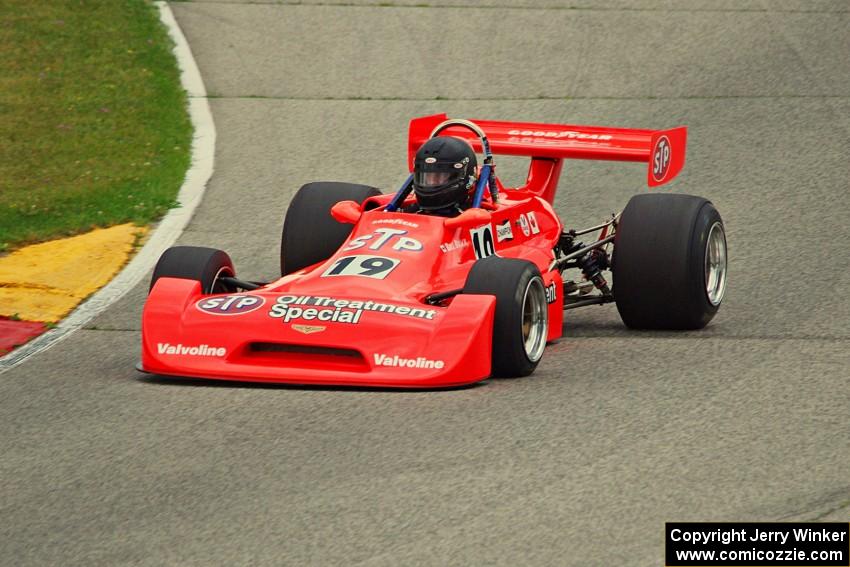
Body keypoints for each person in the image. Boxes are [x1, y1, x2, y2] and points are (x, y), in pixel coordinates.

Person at [411, 136, 478, 215]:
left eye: (439, 176)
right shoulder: (410, 210)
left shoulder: (478, 214)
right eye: (427, 177)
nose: (432, 182)